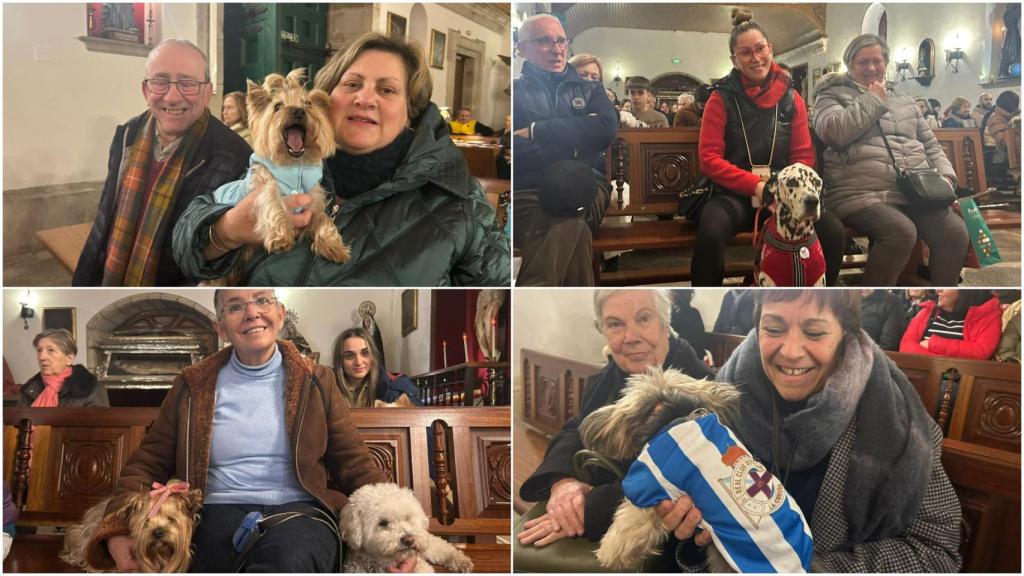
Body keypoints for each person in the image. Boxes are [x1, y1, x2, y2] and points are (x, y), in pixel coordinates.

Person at [84, 289, 394, 572]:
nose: (251, 313)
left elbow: (355, 463)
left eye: (262, 300)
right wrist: (117, 531)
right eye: (235, 307)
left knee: (289, 563)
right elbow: (146, 463)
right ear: (220, 328)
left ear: (281, 313)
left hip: (301, 513)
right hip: (212, 513)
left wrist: (399, 532)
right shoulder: (192, 385)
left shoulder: (316, 381)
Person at [172, 33, 509, 286]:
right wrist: (227, 230)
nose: (365, 98)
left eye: (387, 90)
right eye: (351, 84)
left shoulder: (457, 199)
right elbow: (184, 244)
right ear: (326, 99)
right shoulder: (270, 162)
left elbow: (498, 288)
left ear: (411, 112)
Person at [660, 290, 961, 572]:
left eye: (814, 332)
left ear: (846, 333)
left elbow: (936, 550)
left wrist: (809, 569)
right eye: (774, 329)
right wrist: (697, 537)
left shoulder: (899, 423)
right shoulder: (720, 404)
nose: (791, 352)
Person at [517, 289, 714, 559]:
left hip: (670, 546)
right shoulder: (605, 379)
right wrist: (562, 483)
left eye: (644, 319)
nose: (631, 337)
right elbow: (577, 428)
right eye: (616, 324)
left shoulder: (698, 391)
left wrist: (588, 509)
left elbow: (679, 480)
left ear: (666, 325)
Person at [73, 39, 251, 286]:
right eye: (160, 82)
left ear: (207, 92)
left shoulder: (236, 156)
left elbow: (222, 261)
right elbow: (105, 221)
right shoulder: (127, 134)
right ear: (146, 90)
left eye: (187, 83)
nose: (172, 96)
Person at [692, 9, 845, 286]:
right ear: (734, 60)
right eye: (746, 53)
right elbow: (709, 159)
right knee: (711, 232)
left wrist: (784, 193)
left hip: (786, 194)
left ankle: (823, 299)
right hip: (734, 194)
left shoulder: (791, 97)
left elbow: (803, 157)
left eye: (760, 49)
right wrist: (758, 187)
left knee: (833, 232)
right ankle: (706, 304)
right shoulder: (720, 98)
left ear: (770, 49)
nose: (756, 58)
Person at [813, 34, 968, 286]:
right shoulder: (831, 95)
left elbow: (930, 143)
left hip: (914, 189)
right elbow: (833, 133)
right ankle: (871, 303)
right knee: (899, 232)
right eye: (863, 62)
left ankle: (937, 303)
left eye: (877, 61)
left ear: (886, 62)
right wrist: (873, 100)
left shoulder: (904, 98)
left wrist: (946, 176)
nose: (872, 68)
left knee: (954, 233)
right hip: (859, 190)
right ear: (850, 65)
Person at [512, 14, 617, 286]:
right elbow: (517, 150)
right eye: (545, 41)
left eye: (561, 40)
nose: (557, 48)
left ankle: (529, 300)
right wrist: (578, 139)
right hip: (530, 191)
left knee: (569, 214)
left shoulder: (592, 90)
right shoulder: (515, 93)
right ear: (521, 48)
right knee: (576, 231)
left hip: (588, 186)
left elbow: (606, 129)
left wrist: (538, 131)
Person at [900, 289, 1002, 360]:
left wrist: (932, 344)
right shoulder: (928, 310)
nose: (938, 290)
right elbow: (906, 346)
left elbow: (980, 351)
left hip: (960, 382)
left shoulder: (988, 314)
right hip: (922, 374)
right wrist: (944, 364)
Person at [18, 329, 108, 407]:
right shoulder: (29, 389)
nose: (42, 357)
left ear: (69, 358)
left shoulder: (92, 389)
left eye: (51, 350)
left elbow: (100, 425)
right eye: (39, 350)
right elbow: (17, 424)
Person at [334, 327, 421, 407]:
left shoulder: (393, 389)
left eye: (365, 353)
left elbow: (419, 419)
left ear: (373, 356)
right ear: (340, 360)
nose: (358, 362)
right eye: (349, 355)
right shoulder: (328, 387)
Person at [669, 289, 707, 357]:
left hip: (689, 354)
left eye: (670, 293)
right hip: (678, 352)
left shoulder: (692, 313)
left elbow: (697, 342)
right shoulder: (671, 312)